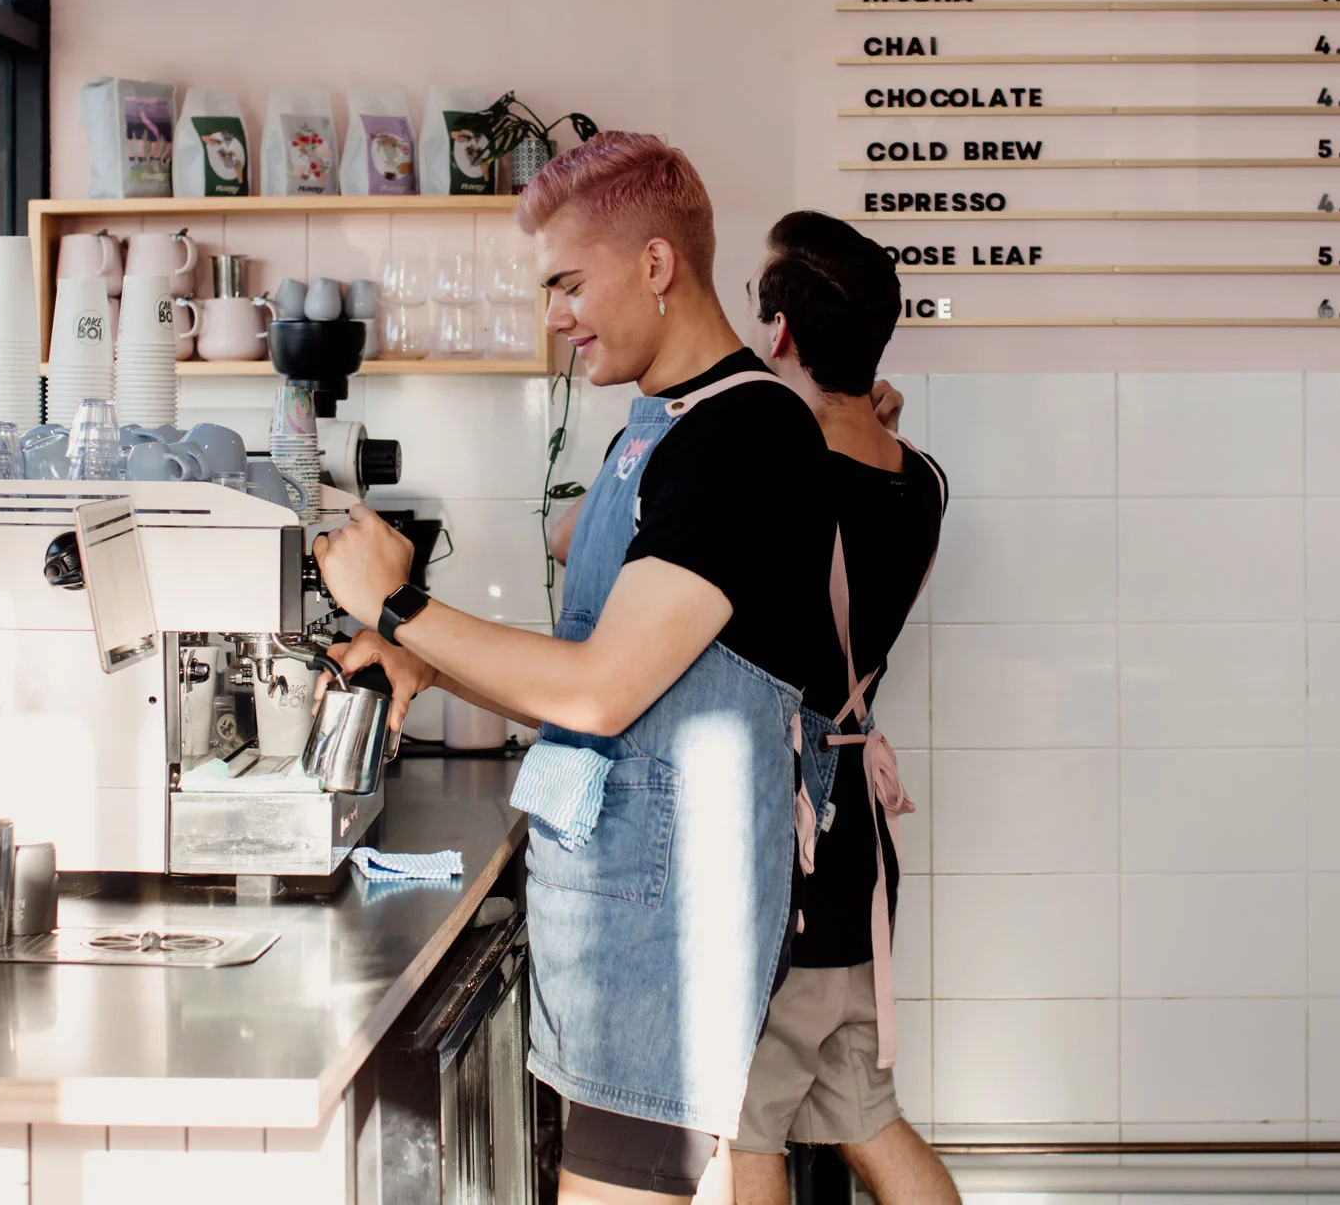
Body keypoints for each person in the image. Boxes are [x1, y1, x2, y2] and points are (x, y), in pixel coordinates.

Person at [312, 133, 839, 1205]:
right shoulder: (658, 428)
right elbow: (607, 674)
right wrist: (428, 664)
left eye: (567, 281)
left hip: (667, 933)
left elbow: (601, 686)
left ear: (655, 264)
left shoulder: (744, 438)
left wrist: (402, 601)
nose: (554, 314)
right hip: (620, 913)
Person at [702, 212, 958, 1205]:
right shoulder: (923, 481)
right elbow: (865, 453)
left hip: (784, 852)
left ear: (779, 334)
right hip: (860, 863)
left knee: (744, 1129)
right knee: (866, 1114)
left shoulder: (771, 473)